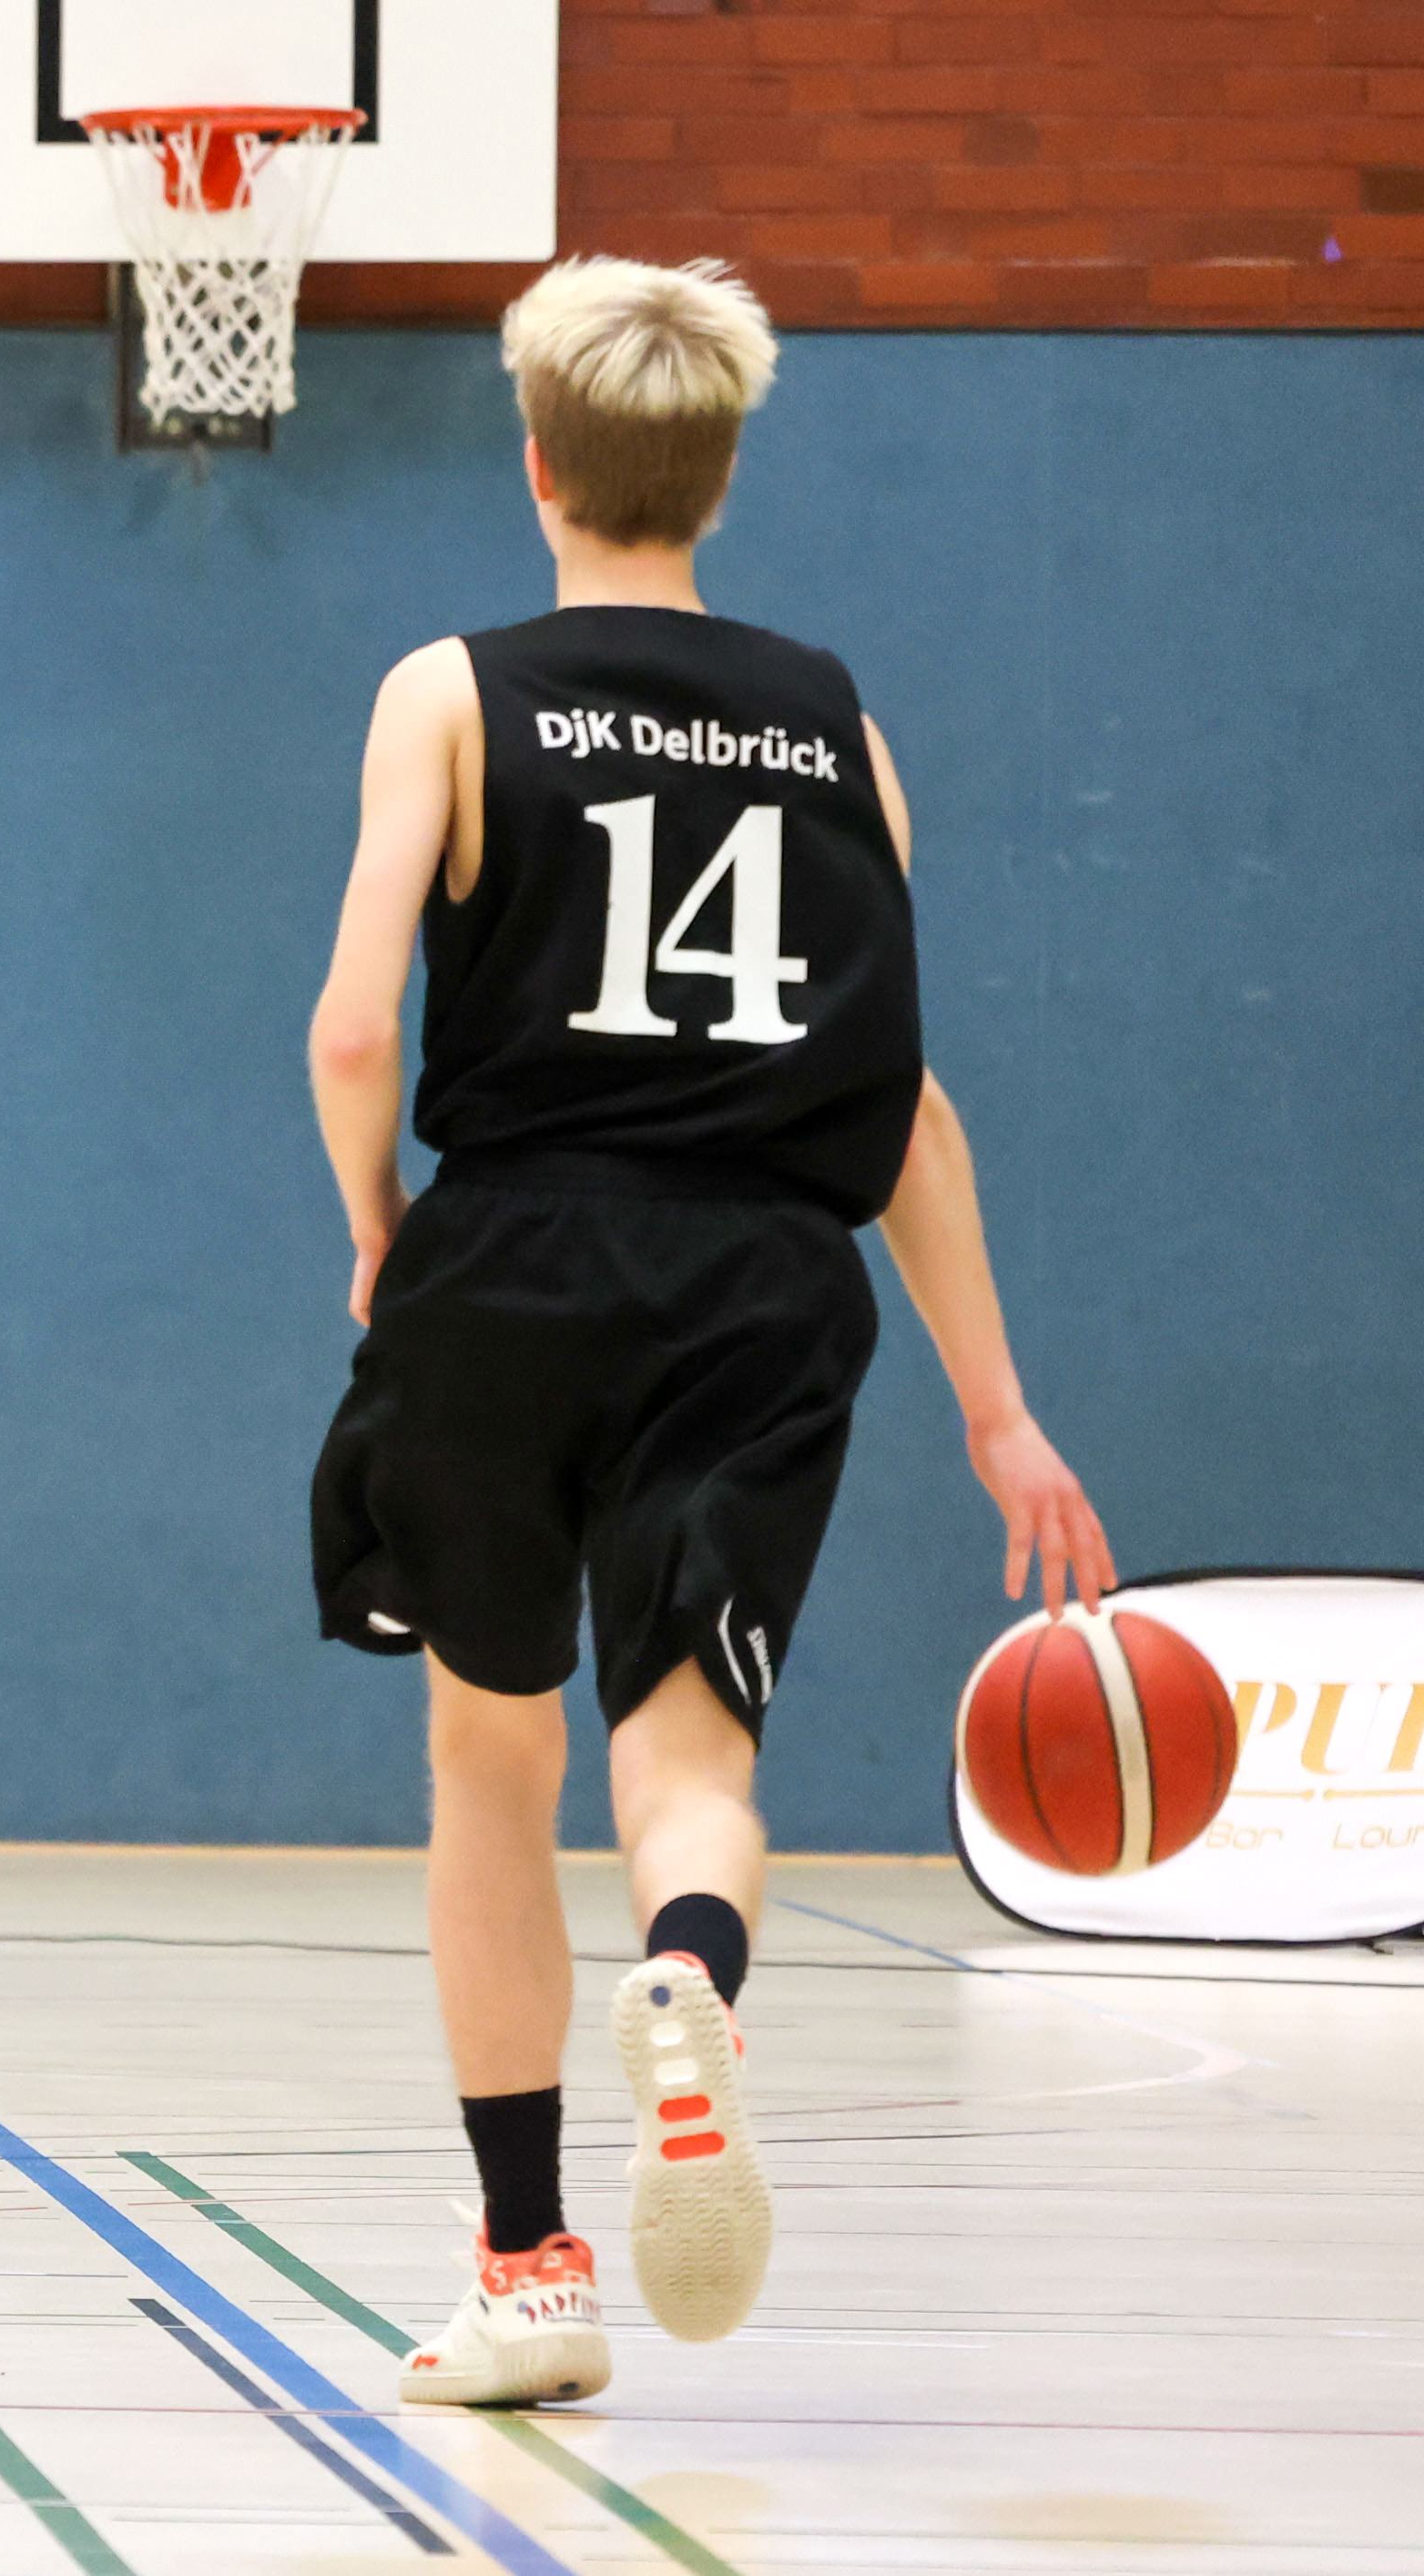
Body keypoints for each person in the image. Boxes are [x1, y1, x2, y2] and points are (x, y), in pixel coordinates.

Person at [306, 257, 1116, 2406]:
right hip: (762, 1277)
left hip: (508, 1258)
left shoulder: (453, 691)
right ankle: (691, 1968)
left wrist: (380, 1222)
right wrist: (1001, 1409)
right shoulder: (839, 724)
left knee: (493, 1757)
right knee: (692, 1758)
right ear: (726, 473)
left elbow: (356, 1023)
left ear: (539, 462)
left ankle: (530, 2266)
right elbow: (906, 1104)